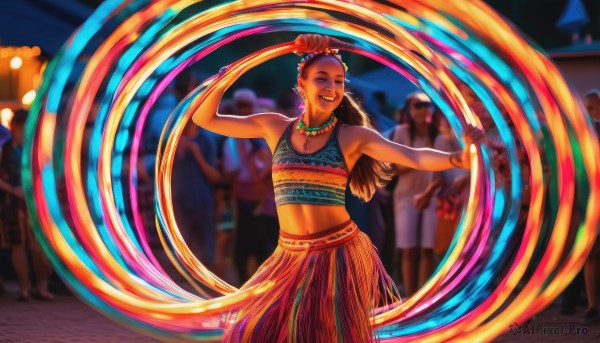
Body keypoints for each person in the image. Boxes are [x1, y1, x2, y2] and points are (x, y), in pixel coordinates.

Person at [192, 34, 485, 342]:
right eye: (322, 79)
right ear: (302, 84)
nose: (332, 88)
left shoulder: (352, 136)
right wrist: (225, 78)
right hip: (288, 255)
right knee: (254, 332)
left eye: (339, 81)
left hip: (336, 255)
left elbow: (411, 155)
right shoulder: (275, 126)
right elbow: (204, 118)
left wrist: (457, 157)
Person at [0, 109, 54, 301]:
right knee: (18, 245)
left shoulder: (37, 148)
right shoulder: (5, 149)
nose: (24, 132)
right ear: (14, 128)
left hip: (34, 202)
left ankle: (41, 286)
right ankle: (25, 288)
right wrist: (12, 189)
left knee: (40, 246)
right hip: (12, 204)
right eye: (21, 129)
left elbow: (47, 172)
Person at [391, 92, 441, 297]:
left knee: (427, 248)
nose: (423, 109)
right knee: (408, 249)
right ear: (409, 111)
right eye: (417, 105)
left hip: (432, 193)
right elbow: (395, 167)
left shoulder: (437, 133)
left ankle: (422, 298)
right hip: (406, 195)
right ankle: (409, 297)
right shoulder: (402, 132)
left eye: (427, 105)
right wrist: (423, 160)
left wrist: (414, 159)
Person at [581, 89, 600, 324]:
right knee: (590, 254)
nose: (588, 113)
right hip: (593, 201)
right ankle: (592, 306)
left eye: (592, 108)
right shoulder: (586, 134)